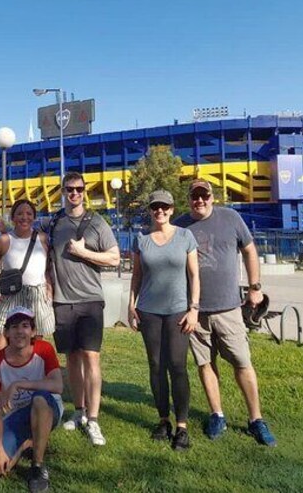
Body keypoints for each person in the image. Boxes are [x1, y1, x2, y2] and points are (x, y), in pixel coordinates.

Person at [174, 180, 277, 447]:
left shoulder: (230, 218)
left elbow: (250, 250)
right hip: (195, 311)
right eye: (194, 196)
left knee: (242, 362)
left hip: (229, 307)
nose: (199, 200)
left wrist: (255, 288)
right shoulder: (180, 224)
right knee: (205, 364)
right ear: (189, 199)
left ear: (212, 197)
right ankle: (216, 414)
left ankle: (256, 419)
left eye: (204, 195)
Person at [44, 171, 119, 446]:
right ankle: (78, 411)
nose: (74, 193)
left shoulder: (97, 223)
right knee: (72, 359)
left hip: (89, 300)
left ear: (84, 191)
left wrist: (83, 252)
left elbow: (114, 258)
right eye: (69, 189)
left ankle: (94, 420)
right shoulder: (54, 222)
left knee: (91, 357)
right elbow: (36, 243)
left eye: (78, 189)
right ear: (63, 191)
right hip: (63, 301)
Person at [128, 190, 199, 450]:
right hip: (148, 310)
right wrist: (131, 306)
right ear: (150, 210)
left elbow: (194, 276)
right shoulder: (141, 240)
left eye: (165, 207)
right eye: (155, 207)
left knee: (177, 365)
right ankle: (163, 419)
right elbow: (136, 276)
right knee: (156, 365)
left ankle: (181, 426)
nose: (160, 211)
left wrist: (194, 308)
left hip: (178, 310)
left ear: (171, 209)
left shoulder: (185, 236)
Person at [0, 307, 64, 493]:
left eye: (25, 326)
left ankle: (37, 466)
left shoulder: (44, 350)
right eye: (14, 326)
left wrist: (19, 384)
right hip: (16, 415)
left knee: (39, 399)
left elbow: (58, 386)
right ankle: (27, 441)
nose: (20, 331)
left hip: (47, 408)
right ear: (6, 333)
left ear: (33, 331)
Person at [0, 199, 54, 355]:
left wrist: (49, 291)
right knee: (1, 344)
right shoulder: (4, 241)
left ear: (34, 218)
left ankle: (32, 378)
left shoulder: (42, 239)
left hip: (37, 294)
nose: (25, 217)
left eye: (29, 214)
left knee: (35, 346)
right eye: (20, 213)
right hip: (12, 296)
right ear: (13, 218)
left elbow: (47, 269)